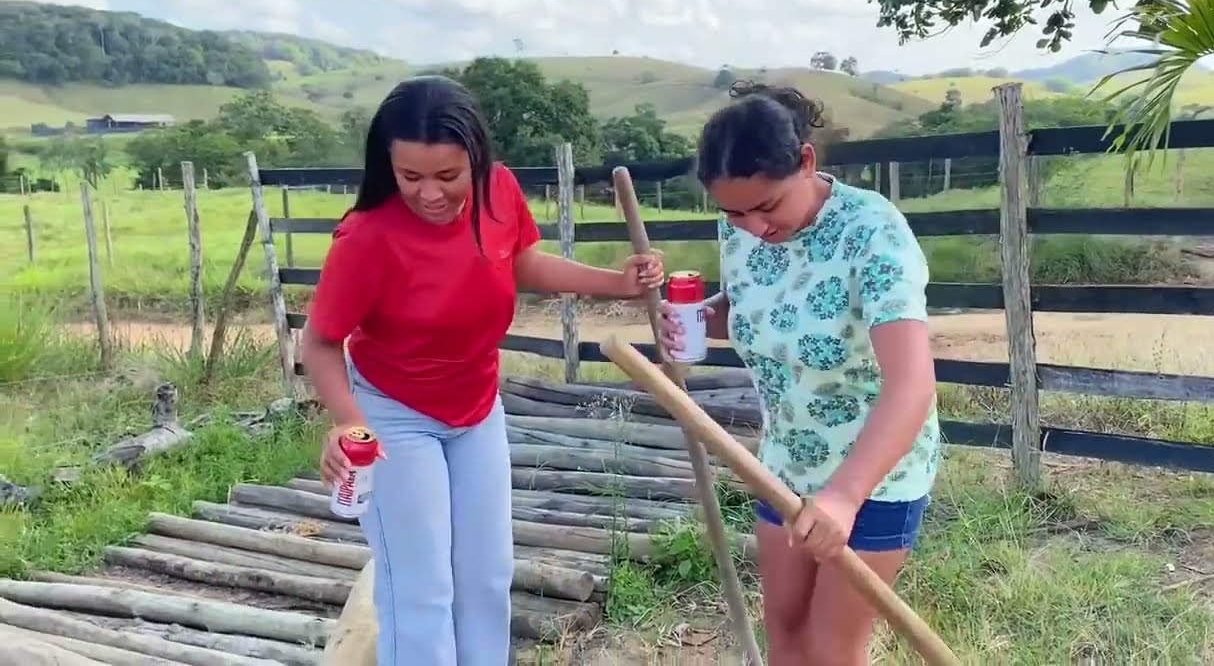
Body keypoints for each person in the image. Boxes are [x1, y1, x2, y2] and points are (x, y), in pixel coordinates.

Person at [300, 75, 665, 666]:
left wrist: (615, 284)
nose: (430, 194)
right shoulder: (367, 237)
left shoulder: (499, 191)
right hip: (394, 414)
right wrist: (346, 422)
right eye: (410, 176)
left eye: (448, 176)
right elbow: (319, 341)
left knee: (486, 576)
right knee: (421, 590)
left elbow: (521, 261)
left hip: (475, 404)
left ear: (477, 157)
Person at [659, 82, 939, 666]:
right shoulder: (743, 229)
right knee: (785, 636)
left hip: (874, 477)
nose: (753, 226)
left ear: (806, 162)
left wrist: (844, 497)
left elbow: (912, 384)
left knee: (830, 649)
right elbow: (768, 310)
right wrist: (703, 320)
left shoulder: (873, 232)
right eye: (733, 211)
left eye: (766, 206)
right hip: (786, 466)